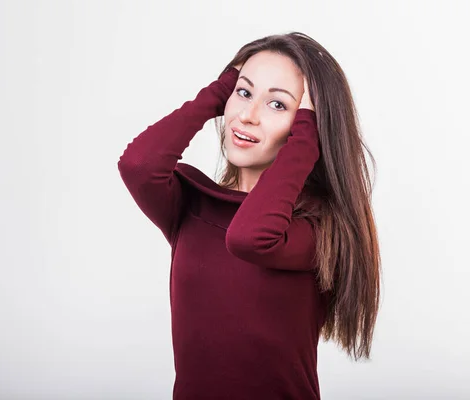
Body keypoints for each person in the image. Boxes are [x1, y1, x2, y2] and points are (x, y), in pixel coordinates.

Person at [117, 31, 381, 400]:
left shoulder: (319, 228)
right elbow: (138, 165)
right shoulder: (192, 206)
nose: (247, 116)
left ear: (309, 126)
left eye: (278, 105)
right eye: (243, 92)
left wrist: (307, 134)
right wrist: (220, 88)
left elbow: (249, 237)